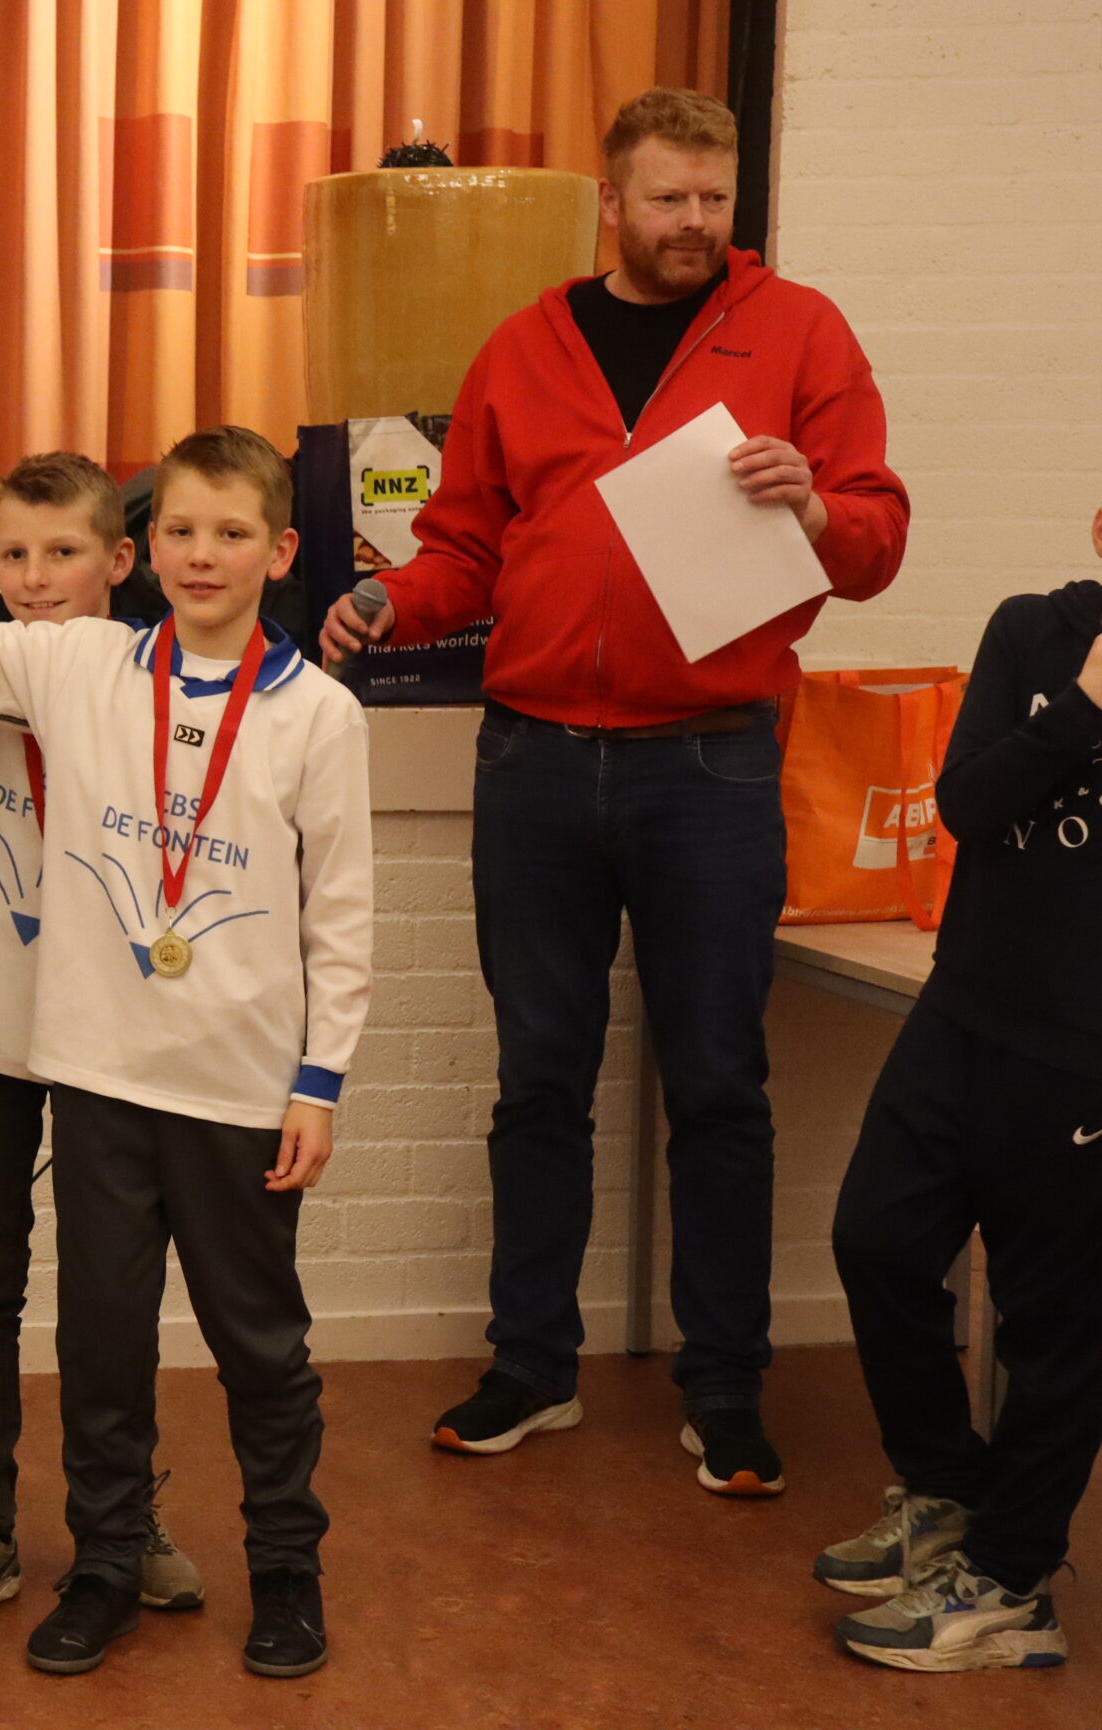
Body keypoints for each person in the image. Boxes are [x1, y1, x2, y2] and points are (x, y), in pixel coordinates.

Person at [323, 87, 909, 1493]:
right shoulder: (523, 346)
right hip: (532, 760)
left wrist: (814, 502)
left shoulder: (802, 334)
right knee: (539, 1079)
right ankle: (532, 1366)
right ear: (612, 201)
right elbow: (465, 547)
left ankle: (726, 1386)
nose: (696, 223)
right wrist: (390, 601)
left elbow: (877, 539)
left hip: (710, 761)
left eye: (715, 198)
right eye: (669, 199)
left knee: (717, 1084)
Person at [0, 426, 370, 1682]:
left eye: (230, 532)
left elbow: (339, 917)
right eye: (180, 528)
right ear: (147, 546)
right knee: (103, 1341)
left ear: (280, 550)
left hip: (238, 1085)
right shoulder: (78, 660)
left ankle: (286, 1568)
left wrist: (319, 1081)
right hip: (99, 1078)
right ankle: (106, 1563)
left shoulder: (320, 716)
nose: (201, 553)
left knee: (259, 1343)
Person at [0, 452, 206, 1638]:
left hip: (108, 1034)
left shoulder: (144, 676)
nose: (33, 576)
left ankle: (121, 1514)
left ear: (119, 560)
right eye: (11, 553)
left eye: (62, 551)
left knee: (111, 1286)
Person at [816, 502, 1102, 1673]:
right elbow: (965, 801)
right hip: (962, 1009)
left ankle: (1010, 1580)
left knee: (1054, 1331)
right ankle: (945, 1489)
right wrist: (1086, 706)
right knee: (875, 1240)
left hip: (1083, 1056)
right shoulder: (1032, 631)